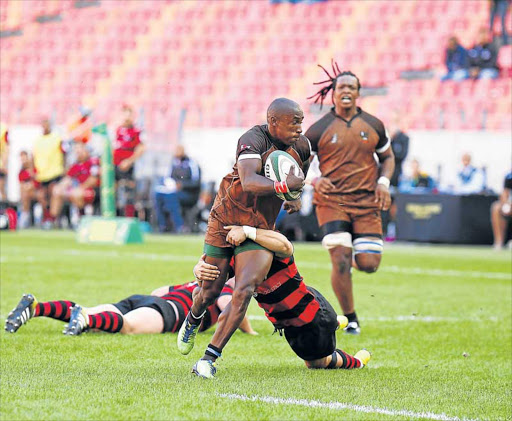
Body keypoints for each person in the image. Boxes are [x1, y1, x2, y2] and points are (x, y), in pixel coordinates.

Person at [176, 98, 309, 374]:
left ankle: (207, 360)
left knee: (245, 288)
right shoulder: (252, 139)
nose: (299, 127)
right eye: (294, 121)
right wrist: (285, 185)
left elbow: (300, 174)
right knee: (210, 290)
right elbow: (249, 182)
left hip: (259, 228)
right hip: (226, 219)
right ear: (273, 122)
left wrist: (295, 196)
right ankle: (194, 316)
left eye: (301, 121)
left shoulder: (303, 146)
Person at [191, 225, 371, 378]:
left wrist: (247, 230)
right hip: (290, 323)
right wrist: (199, 269)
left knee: (317, 363)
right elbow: (208, 286)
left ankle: (357, 362)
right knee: (312, 357)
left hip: (313, 319)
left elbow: (286, 245)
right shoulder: (240, 258)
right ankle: (337, 322)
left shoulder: (272, 245)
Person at [304, 63, 395, 335]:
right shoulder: (318, 129)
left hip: (367, 201)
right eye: (341, 87)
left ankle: (350, 262)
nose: (346, 91)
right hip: (332, 201)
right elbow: (299, 163)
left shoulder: (374, 124)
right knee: (341, 259)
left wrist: (383, 182)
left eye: (351, 88)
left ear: (358, 93)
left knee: (369, 264)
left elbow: (388, 157)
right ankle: (351, 317)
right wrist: (315, 180)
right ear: (333, 92)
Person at [4, 269, 256, 337]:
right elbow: (228, 306)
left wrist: (151, 304)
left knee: (100, 314)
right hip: (169, 311)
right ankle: (86, 319)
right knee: (126, 326)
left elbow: (159, 290)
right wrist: (249, 330)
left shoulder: (193, 284)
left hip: (146, 300)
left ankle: (37, 307)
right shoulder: (223, 289)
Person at [48, 143, 100, 226]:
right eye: (77, 151)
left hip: (93, 190)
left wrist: (81, 188)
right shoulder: (76, 165)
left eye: (81, 150)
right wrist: (59, 187)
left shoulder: (93, 162)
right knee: (57, 191)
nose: (78, 153)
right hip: (77, 190)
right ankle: (52, 220)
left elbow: (93, 179)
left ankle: (82, 217)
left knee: (76, 193)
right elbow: (68, 179)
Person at [154, 144, 201, 233]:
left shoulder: (192, 163)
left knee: (171, 197)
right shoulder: (174, 163)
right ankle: (162, 225)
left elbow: (196, 182)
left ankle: (180, 226)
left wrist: (182, 185)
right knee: (158, 195)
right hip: (174, 191)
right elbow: (168, 178)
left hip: (189, 194)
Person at [33, 118, 66, 226]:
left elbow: (64, 153)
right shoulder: (38, 140)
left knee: (54, 195)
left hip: (55, 172)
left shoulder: (57, 138)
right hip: (42, 174)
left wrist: (64, 169)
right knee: (42, 197)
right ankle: (47, 217)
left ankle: (53, 219)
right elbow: (35, 157)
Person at [113, 105, 145, 217]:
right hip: (115, 166)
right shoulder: (116, 130)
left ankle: (129, 218)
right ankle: (115, 217)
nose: (127, 118)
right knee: (113, 192)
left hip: (128, 167)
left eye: (129, 115)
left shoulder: (136, 131)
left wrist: (129, 161)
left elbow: (141, 148)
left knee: (128, 193)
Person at [18, 151, 39, 229]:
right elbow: (21, 185)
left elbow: (38, 182)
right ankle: (25, 214)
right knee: (25, 193)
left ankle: (25, 215)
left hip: (37, 193)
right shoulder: (21, 172)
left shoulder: (35, 169)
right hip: (27, 194)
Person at [491, 171, 512, 250]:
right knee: (496, 208)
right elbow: (505, 192)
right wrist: (506, 204)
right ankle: (499, 242)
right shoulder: (509, 176)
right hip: (510, 203)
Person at [0, 121, 9, 201]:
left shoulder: (3, 129)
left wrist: (4, 164)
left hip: (0, 164)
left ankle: (4, 210)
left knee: (1, 187)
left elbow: (6, 147)